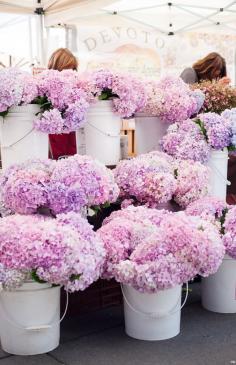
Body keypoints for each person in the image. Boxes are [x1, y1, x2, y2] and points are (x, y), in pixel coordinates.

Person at [48, 48, 78, 160]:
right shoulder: (45, 90)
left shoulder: (78, 88)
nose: (70, 72)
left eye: (73, 69)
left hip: (73, 137)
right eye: (66, 68)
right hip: (55, 137)